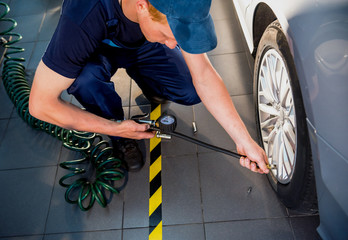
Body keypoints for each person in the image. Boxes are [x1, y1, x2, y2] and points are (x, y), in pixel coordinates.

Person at [29, 0, 269, 174]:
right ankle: (116, 124)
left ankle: (152, 84)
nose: (176, 43)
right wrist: (116, 129)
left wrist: (244, 141)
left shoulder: (171, 9)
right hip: (94, 49)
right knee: (85, 81)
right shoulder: (82, 15)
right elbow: (40, 105)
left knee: (190, 87)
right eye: (170, 34)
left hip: (142, 42)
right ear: (142, 5)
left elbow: (204, 75)